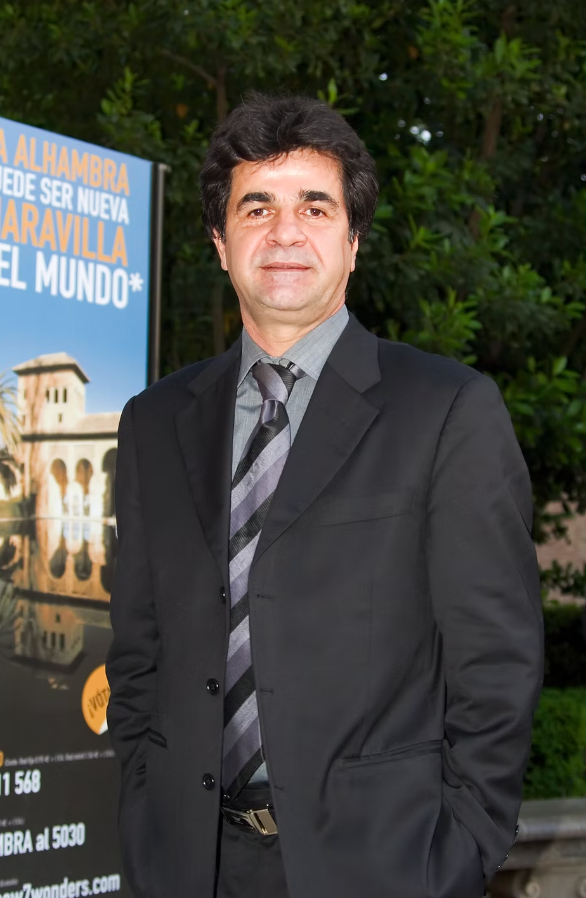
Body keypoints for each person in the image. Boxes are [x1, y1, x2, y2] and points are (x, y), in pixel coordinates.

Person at [106, 93, 544, 898]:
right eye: (256, 206)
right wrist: (142, 817)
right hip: (184, 866)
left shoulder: (446, 410)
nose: (284, 232)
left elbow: (497, 663)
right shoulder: (152, 424)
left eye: (315, 205)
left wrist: (461, 851)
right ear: (218, 240)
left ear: (352, 242)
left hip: (383, 868)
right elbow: (138, 653)